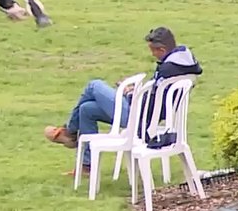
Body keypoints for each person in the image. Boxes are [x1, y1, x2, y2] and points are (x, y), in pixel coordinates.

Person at [44, 26, 203, 176]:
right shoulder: (183, 64)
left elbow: (150, 104)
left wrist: (130, 93)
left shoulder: (168, 69)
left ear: (162, 49)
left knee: (94, 86)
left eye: (153, 51)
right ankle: (87, 165)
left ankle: (70, 131)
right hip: (146, 116)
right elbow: (156, 96)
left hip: (139, 119)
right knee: (86, 109)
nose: (152, 55)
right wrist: (136, 91)